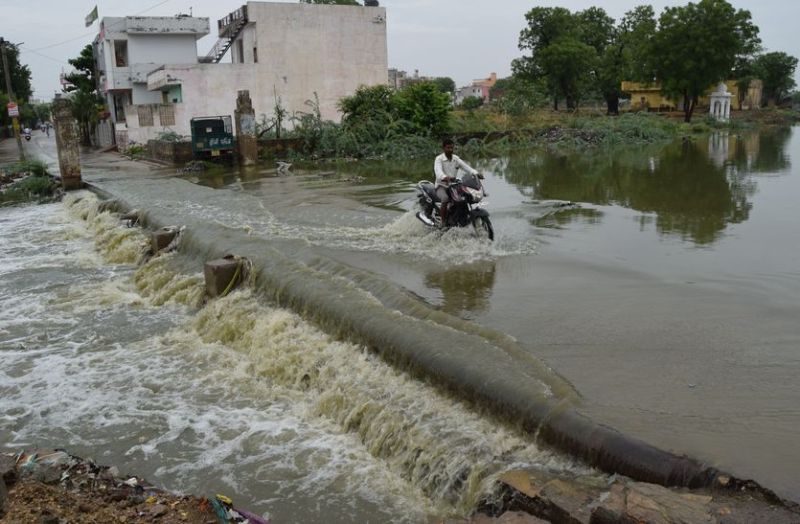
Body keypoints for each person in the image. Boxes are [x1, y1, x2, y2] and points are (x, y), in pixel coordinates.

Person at [433, 138, 479, 227]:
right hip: (441, 186)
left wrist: (476, 173)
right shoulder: (439, 159)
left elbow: (467, 168)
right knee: (445, 199)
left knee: (465, 197)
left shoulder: (456, 159)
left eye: (452, 148)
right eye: (448, 148)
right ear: (443, 148)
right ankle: (443, 222)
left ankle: (460, 217)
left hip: (454, 186)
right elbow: (438, 171)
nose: (450, 150)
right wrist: (444, 177)